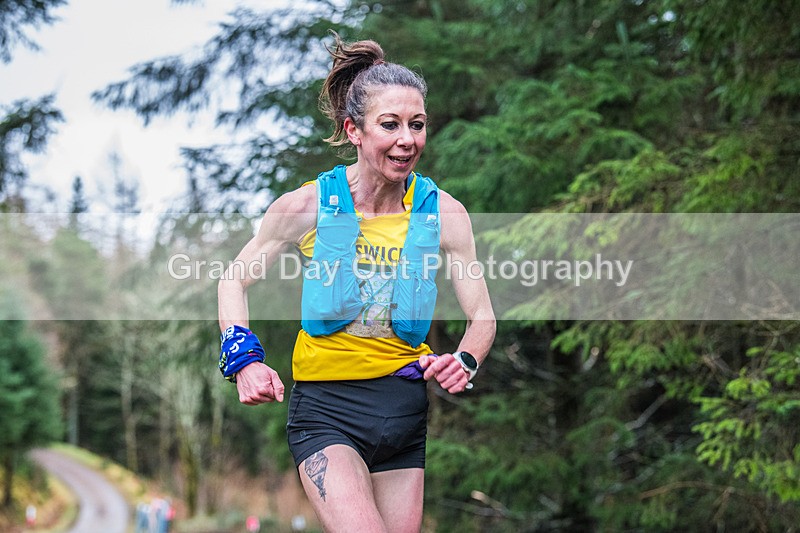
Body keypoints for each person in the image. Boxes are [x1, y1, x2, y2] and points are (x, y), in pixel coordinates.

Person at [217, 32, 496, 532]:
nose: (407, 139)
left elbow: (482, 316)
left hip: (403, 410)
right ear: (354, 131)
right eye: (390, 124)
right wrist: (244, 362)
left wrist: (465, 360)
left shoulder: (445, 214)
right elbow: (233, 280)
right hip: (327, 409)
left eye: (417, 125)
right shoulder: (307, 205)